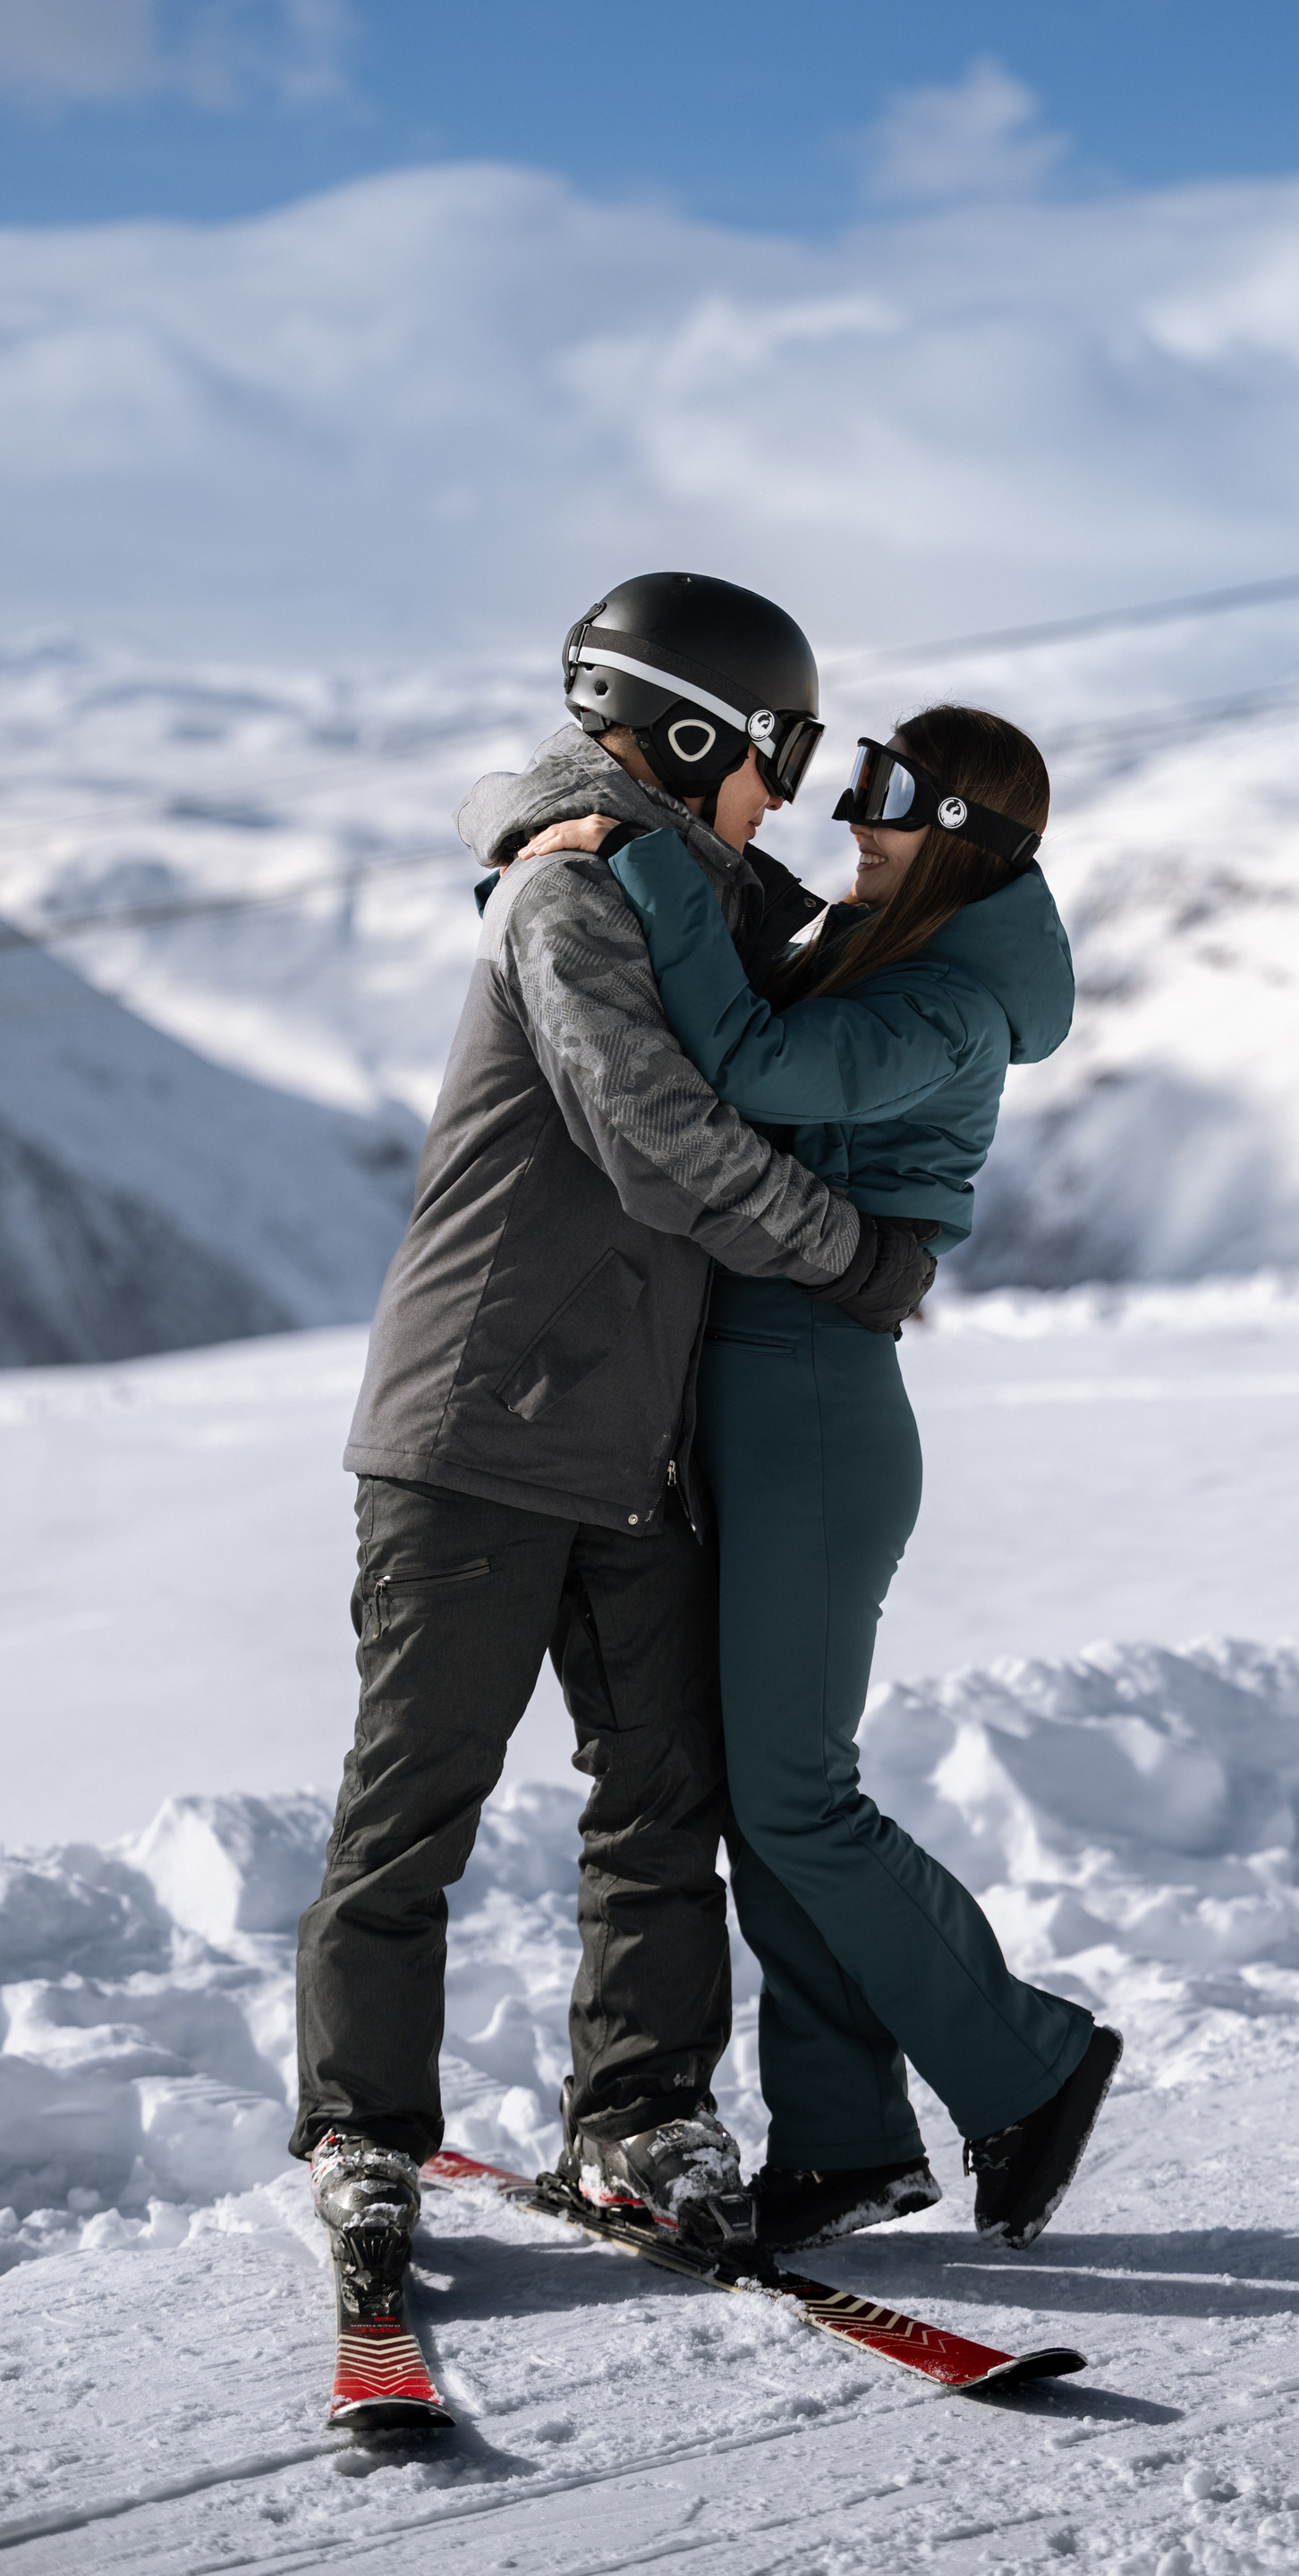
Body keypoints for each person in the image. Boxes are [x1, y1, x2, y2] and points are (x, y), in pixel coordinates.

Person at [293, 575, 938, 2319]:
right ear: (693, 733)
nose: (786, 789)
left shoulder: (678, 894)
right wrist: (855, 1257)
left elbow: (803, 997)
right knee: (414, 1803)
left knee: (664, 1802)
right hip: (477, 1430)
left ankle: (640, 2118)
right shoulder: (569, 894)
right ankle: (363, 2130)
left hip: (637, 1449)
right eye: (777, 749)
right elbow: (654, 1141)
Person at [520, 706, 1121, 2255]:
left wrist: (643, 858)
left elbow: (751, 1063)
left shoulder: (948, 1008)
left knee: (798, 1797)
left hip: (811, 1407)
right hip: (753, 1402)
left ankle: (1030, 2058)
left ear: (967, 837)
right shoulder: (879, 952)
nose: (855, 814)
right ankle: (847, 2138)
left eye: (893, 795)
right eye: (858, 779)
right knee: (764, 1795)